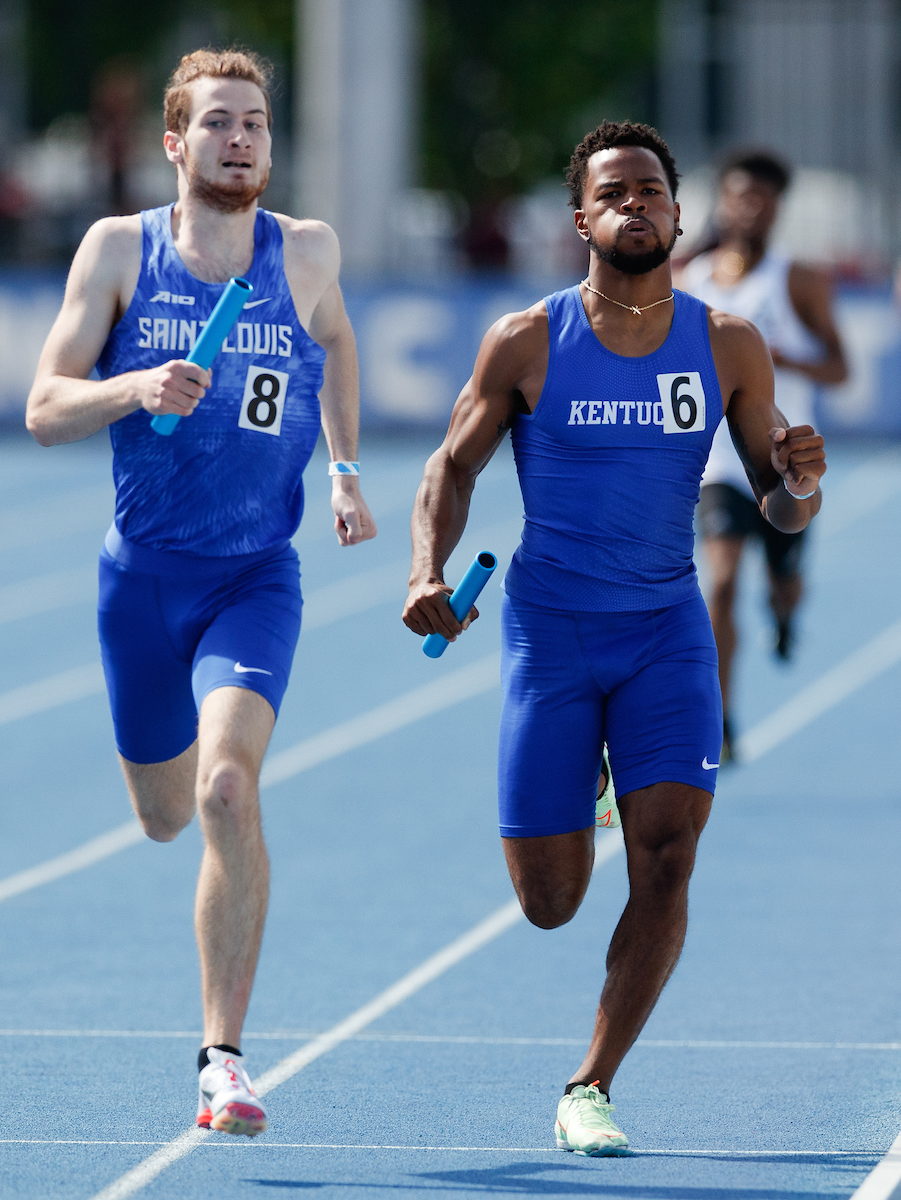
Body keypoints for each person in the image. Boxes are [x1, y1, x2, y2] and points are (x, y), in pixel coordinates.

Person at [402, 120, 825, 1155]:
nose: (637, 204)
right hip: (551, 635)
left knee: (669, 859)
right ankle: (585, 773)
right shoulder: (528, 340)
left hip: (665, 633)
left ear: (681, 215)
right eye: (615, 192)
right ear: (581, 218)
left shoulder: (727, 342)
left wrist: (802, 483)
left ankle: (590, 1084)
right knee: (549, 904)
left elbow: (778, 505)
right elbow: (452, 470)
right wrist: (426, 572)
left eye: (652, 190)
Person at [26, 48, 376, 1137]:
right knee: (167, 816)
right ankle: (164, 788)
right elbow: (43, 404)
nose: (240, 140)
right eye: (218, 123)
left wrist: (347, 469)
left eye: (256, 124)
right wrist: (134, 384)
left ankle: (222, 1059)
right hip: (141, 582)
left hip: (253, 578)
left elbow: (337, 345)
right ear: (176, 143)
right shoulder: (120, 250)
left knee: (228, 790)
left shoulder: (304, 253)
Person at [679, 151, 846, 761]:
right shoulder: (686, 280)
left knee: (784, 582)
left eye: (764, 198)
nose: (750, 207)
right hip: (719, 464)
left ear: (777, 208)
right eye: (740, 195)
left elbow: (841, 367)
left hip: (785, 462)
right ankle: (720, 719)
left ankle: (783, 615)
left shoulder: (798, 280)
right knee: (719, 584)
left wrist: (774, 359)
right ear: (722, 200)